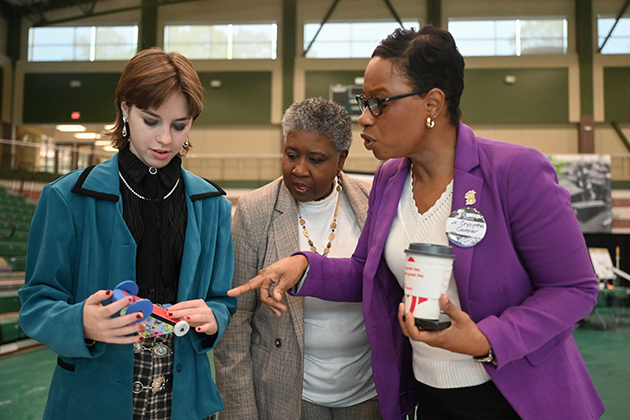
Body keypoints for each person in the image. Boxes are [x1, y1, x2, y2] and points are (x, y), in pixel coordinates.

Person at [228, 26, 605, 420]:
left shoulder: (514, 172)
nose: (364, 119)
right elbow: (367, 274)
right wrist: (305, 266)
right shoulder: (391, 179)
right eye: (364, 102)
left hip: (514, 399)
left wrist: (487, 339)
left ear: (433, 104)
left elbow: (573, 288)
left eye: (379, 103)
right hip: (430, 397)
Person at [18, 47, 237, 420]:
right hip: (93, 395)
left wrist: (214, 315)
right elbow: (37, 302)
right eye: (151, 121)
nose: (165, 139)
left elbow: (222, 299)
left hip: (184, 396)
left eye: (179, 125)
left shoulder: (211, 204)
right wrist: (81, 322)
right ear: (124, 109)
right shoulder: (67, 198)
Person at [214, 97, 381, 419]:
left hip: (366, 392)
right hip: (289, 393)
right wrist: (241, 412)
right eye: (291, 155)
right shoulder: (255, 211)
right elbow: (235, 321)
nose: (299, 169)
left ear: (341, 159)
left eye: (316, 159)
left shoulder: (372, 201)